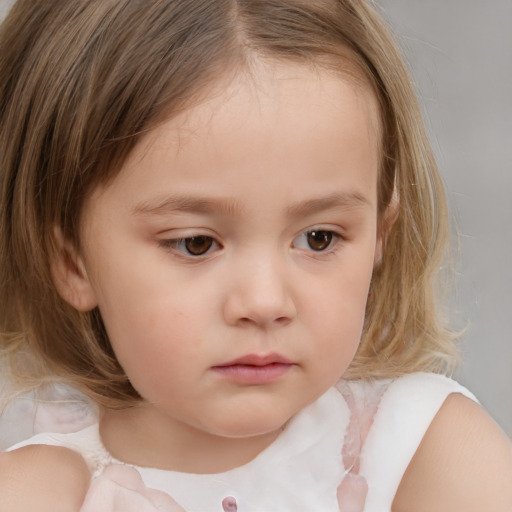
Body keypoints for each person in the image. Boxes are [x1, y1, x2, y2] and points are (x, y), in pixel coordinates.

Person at [0, 0, 510, 510]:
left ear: (381, 235)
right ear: (73, 261)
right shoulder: (39, 491)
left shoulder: (422, 452)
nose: (265, 302)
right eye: (196, 243)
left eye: (319, 239)